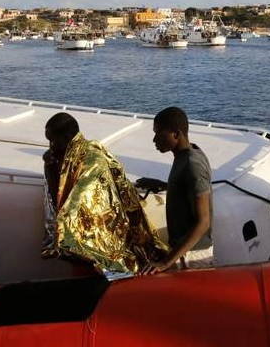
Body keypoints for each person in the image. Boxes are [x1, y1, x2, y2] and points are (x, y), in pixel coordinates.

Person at [42, 112, 167, 275]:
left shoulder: (92, 160)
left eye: (52, 140)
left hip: (101, 246)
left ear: (67, 137)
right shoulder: (69, 159)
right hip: (83, 250)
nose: (50, 146)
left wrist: (63, 230)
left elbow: (76, 203)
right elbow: (57, 197)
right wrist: (50, 167)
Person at [136, 106, 214, 274]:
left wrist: (166, 262)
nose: (154, 140)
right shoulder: (185, 155)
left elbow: (203, 222)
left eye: (158, 133)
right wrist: (162, 185)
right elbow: (188, 188)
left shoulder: (193, 165)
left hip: (193, 256)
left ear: (176, 135)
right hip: (184, 252)